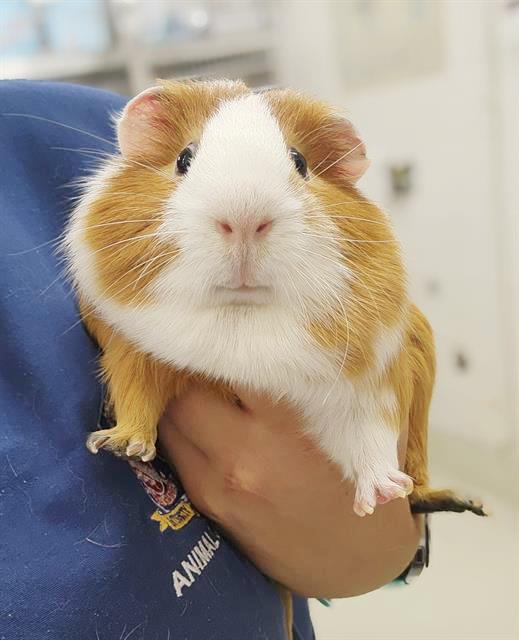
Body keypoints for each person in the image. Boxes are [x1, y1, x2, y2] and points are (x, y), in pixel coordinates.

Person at [0, 80, 420, 640]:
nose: (244, 221)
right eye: (186, 162)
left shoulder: (59, 124)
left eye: (297, 163)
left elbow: (396, 547)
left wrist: (365, 532)